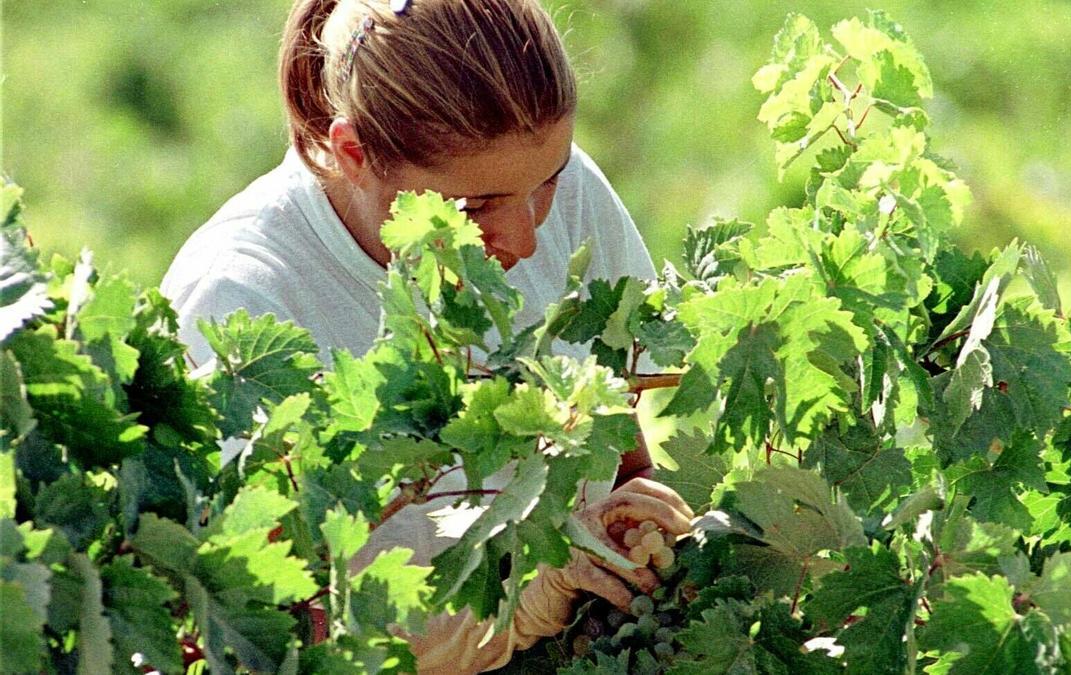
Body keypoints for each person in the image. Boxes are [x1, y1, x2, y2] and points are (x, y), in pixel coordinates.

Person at [160, 0, 692, 671]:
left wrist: (633, 520)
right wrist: (523, 600)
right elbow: (273, 636)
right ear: (355, 153)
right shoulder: (240, 302)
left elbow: (621, 459)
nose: (527, 237)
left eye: (548, 183)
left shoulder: (555, 186)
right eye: (474, 208)